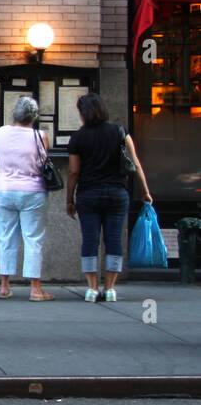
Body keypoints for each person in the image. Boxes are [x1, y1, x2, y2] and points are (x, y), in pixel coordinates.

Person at [66, 93, 151, 303]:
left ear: (83, 113)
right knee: (113, 240)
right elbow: (135, 163)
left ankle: (92, 288)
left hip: (88, 194)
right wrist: (146, 191)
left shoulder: (78, 137)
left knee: (90, 240)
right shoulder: (120, 132)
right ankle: (111, 288)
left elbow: (73, 172)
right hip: (117, 193)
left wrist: (70, 199)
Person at [0, 96, 52, 301]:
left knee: (5, 237)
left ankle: (4, 286)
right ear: (34, 117)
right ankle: (35, 289)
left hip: (3, 189)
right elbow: (44, 161)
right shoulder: (40, 136)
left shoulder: (0, 132)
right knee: (33, 238)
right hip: (32, 190)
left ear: (14, 113)